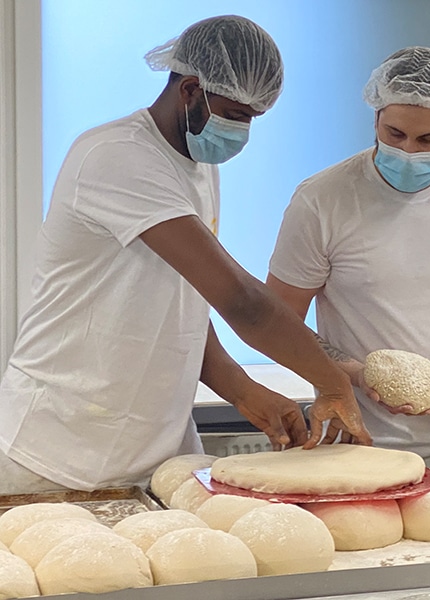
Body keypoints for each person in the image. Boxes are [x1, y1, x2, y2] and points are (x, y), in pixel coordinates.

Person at [0, 15, 371, 494]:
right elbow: (241, 301)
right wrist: (333, 383)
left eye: (252, 119)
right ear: (191, 89)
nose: (242, 132)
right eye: (236, 115)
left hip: (156, 448)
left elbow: (184, 303)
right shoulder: (118, 157)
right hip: (63, 448)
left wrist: (243, 390)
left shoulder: (196, 166)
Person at [266, 46, 430, 468]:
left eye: (427, 139)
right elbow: (278, 320)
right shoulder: (323, 200)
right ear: (375, 119)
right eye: (394, 134)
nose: (409, 150)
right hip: (361, 442)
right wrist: (355, 374)